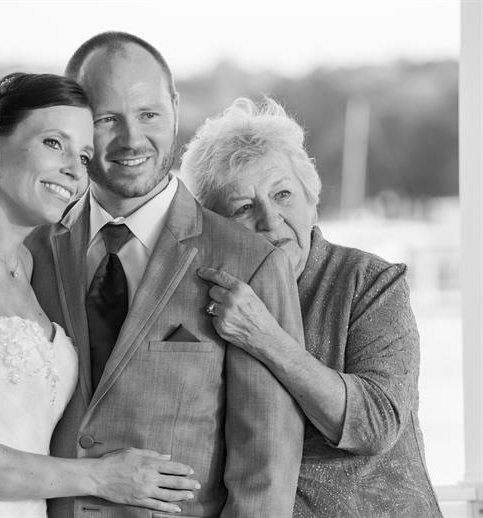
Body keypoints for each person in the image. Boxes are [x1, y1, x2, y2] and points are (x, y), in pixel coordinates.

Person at [26, 32, 304, 518]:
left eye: (148, 114)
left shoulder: (251, 261)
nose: (132, 139)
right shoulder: (32, 249)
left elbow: (267, 466)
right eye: (106, 118)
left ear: (175, 107)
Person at [0, 72, 199, 518]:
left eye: (82, 155)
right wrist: (102, 477)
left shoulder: (32, 265)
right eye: (54, 144)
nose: (74, 171)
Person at [181, 97, 443, 517]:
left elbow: (375, 423)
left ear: (311, 199)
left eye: (283, 194)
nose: (270, 220)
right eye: (244, 207)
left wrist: (265, 338)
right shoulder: (203, 298)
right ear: (215, 226)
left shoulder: (369, 282)